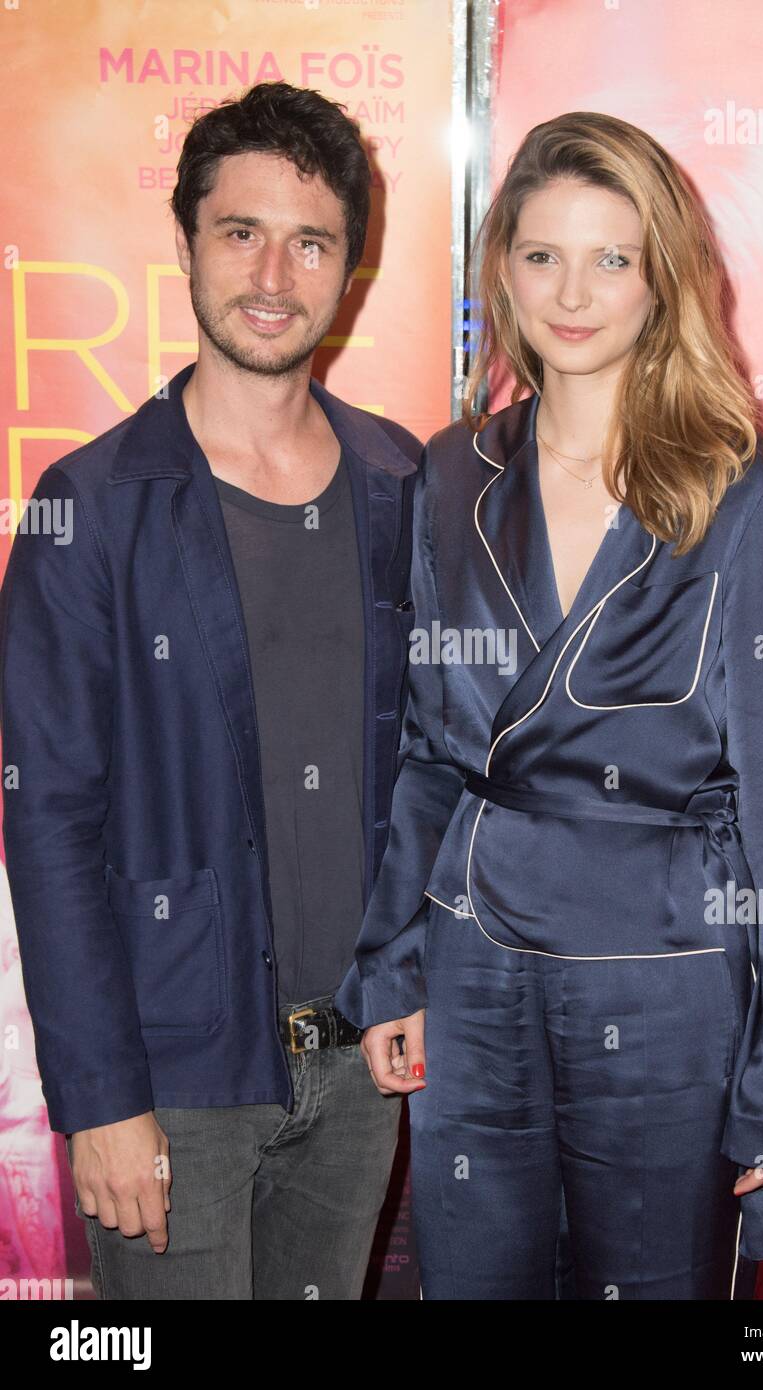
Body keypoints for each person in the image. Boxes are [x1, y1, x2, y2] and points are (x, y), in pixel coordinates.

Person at [336, 111, 763, 1300]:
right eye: (539, 256)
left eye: (609, 258)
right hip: (475, 967)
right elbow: (426, 748)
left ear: (659, 278)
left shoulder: (741, 492)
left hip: (663, 973)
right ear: (501, 271)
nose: (571, 292)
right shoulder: (451, 470)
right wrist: (392, 964)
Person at [0, 82, 421, 1299]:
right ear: (185, 242)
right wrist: (100, 1100)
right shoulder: (89, 508)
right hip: (172, 1083)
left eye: (311, 239)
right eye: (240, 231)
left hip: (359, 1068)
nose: (274, 273)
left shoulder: (401, 484)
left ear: (350, 264)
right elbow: (49, 820)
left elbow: (436, 772)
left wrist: (414, 981)